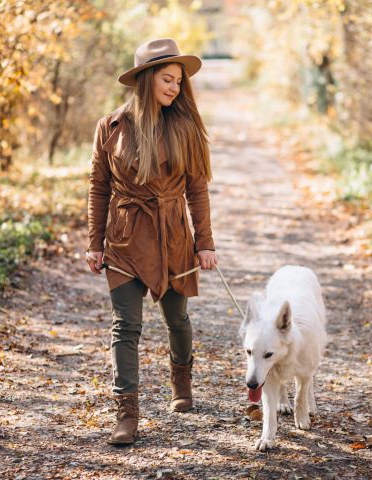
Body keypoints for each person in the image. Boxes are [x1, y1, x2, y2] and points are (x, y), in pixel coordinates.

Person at [85, 38, 218, 446]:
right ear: (145, 80)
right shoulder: (111, 127)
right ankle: (126, 413)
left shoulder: (185, 126)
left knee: (176, 319)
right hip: (125, 237)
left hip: (173, 234)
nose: (175, 87)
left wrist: (205, 242)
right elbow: (98, 187)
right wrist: (94, 242)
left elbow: (197, 189)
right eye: (167, 78)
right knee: (125, 326)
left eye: (178, 81)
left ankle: (182, 379)